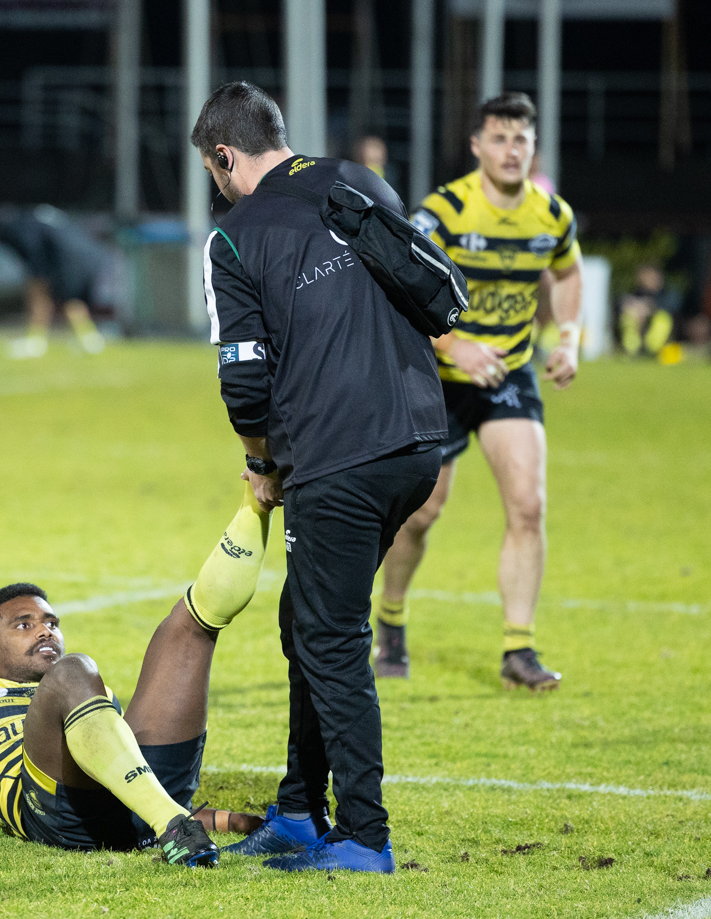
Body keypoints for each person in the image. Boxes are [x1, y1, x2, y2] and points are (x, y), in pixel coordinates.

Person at [193, 81, 447, 873]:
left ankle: (364, 835)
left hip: (339, 456)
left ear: (226, 156)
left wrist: (265, 463)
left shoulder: (235, 237)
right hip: (418, 441)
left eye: (213, 169)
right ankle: (301, 809)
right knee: (306, 619)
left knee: (330, 638)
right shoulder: (359, 181)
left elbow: (244, 381)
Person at [0, 482, 272, 866]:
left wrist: (226, 820)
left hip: (131, 816)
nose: (45, 631)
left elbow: (130, 778)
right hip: (59, 814)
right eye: (23, 625)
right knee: (73, 671)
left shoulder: (89, 693)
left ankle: (257, 502)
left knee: (184, 629)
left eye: (51, 622)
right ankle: (173, 824)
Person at [371, 92, 582, 690]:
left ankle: (519, 649)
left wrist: (567, 337)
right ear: (476, 146)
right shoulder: (446, 212)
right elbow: (394, 277)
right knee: (421, 514)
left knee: (528, 504)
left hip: (508, 373)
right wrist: (451, 343)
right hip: (437, 377)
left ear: (533, 146)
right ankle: (391, 618)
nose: (511, 150)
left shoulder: (552, 216)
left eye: (521, 139)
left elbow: (567, 271)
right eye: (499, 138)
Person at [0, 204, 106, 359]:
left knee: (42, 293)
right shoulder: (34, 218)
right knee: (71, 300)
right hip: (89, 255)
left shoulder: (17, 228)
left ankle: (35, 342)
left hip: (68, 258)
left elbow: (35, 255)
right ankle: (89, 340)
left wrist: (37, 283)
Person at [619, 263, 679, 358]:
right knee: (629, 316)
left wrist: (649, 309)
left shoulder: (667, 293)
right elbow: (623, 303)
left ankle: (653, 350)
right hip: (641, 325)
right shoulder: (638, 292)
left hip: (660, 330)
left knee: (662, 318)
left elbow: (669, 307)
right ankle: (632, 349)